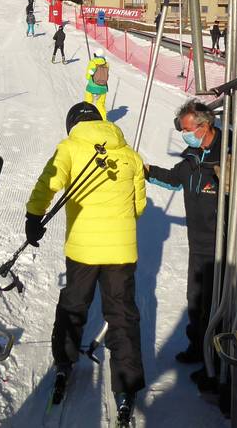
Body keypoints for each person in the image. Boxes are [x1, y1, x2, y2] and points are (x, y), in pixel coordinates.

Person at [25, 102, 147, 422]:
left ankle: (64, 362)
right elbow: (139, 207)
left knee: (74, 304)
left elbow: (48, 182)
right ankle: (126, 387)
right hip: (120, 251)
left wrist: (34, 216)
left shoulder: (69, 147)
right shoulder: (130, 154)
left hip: (82, 250)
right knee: (121, 313)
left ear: (73, 125)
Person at [143, 100, 229, 383]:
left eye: (187, 129)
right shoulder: (192, 157)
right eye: (182, 130)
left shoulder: (228, 153)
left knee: (217, 304)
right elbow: (173, 179)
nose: (184, 134)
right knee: (195, 299)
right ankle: (197, 347)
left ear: (205, 126)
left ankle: (216, 363)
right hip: (198, 242)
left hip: (223, 245)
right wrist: (145, 171)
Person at [84, 48, 109, 119]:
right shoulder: (106, 64)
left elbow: (87, 76)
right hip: (103, 88)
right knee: (100, 105)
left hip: (92, 87)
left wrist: (91, 71)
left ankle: (87, 118)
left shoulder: (93, 62)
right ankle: (104, 120)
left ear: (95, 54)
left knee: (88, 103)